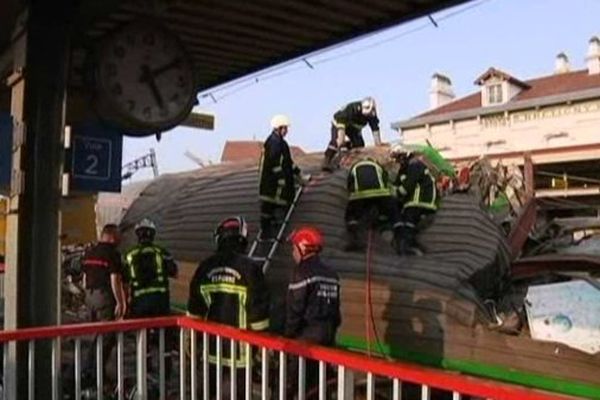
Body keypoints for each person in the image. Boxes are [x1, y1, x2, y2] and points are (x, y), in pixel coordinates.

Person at [187, 216, 270, 399]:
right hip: (242, 353)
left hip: (211, 350)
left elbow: (194, 312)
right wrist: (262, 349)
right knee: (240, 395)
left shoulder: (204, 267)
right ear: (243, 238)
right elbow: (259, 317)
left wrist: (192, 342)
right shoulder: (251, 269)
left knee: (206, 393)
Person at [285, 226, 341, 396]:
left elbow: (295, 310)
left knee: (295, 388)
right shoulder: (332, 275)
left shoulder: (301, 273)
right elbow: (336, 314)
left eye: (294, 248)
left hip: (305, 342)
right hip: (328, 340)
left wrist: (285, 338)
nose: (292, 253)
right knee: (319, 389)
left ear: (302, 248)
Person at [123, 218, 178, 377]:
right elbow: (175, 272)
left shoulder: (130, 255)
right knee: (164, 337)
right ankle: (166, 371)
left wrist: (125, 302)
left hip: (139, 303)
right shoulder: (162, 252)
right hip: (160, 301)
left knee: (143, 336)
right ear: (153, 235)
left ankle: (145, 369)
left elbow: (125, 280)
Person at [80, 224, 126, 387]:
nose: (120, 239)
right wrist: (121, 302)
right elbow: (115, 280)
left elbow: (84, 277)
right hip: (104, 297)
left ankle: (90, 370)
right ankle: (95, 373)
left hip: (90, 296)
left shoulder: (89, 252)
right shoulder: (112, 254)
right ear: (111, 236)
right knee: (107, 336)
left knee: (96, 334)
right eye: (118, 236)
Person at [344, 157, 403, 253]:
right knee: (393, 214)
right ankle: (400, 241)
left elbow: (350, 185)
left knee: (351, 216)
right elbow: (386, 180)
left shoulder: (354, 167)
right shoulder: (378, 166)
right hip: (381, 193)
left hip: (360, 195)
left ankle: (355, 240)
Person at [258, 114, 302, 240]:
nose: (287, 131)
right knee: (270, 208)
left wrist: (298, 173)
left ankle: (271, 230)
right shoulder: (274, 143)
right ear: (278, 128)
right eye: (285, 128)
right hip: (272, 184)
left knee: (273, 208)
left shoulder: (280, 143)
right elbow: (274, 162)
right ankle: (267, 234)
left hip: (276, 185)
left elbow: (288, 162)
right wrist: (281, 178)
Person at [390, 145, 438, 255]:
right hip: (415, 201)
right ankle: (412, 243)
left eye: (399, 157)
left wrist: (396, 193)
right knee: (406, 220)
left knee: (408, 219)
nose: (397, 161)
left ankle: (407, 246)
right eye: (396, 158)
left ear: (406, 155)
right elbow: (397, 184)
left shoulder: (415, 165)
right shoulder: (404, 170)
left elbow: (407, 185)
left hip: (421, 200)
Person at [322, 97, 382, 171]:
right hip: (340, 122)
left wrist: (378, 144)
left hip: (353, 128)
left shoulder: (372, 115)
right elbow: (341, 121)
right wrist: (341, 139)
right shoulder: (352, 108)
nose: (367, 116)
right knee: (338, 141)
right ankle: (327, 161)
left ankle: (348, 149)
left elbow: (375, 129)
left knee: (359, 145)